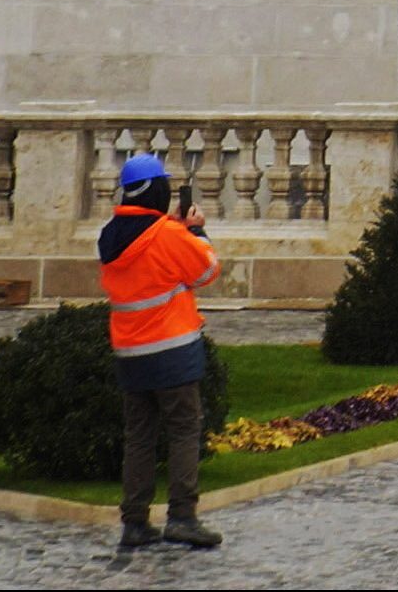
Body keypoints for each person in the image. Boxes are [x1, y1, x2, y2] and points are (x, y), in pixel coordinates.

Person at [96, 150, 225, 553]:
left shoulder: (109, 235)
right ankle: (182, 518)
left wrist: (176, 227)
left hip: (130, 350)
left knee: (139, 437)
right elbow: (206, 271)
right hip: (172, 350)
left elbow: (147, 240)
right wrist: (197, 233)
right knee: (184, 430)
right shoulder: (170, 235)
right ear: (158, 191)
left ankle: (135, 522)